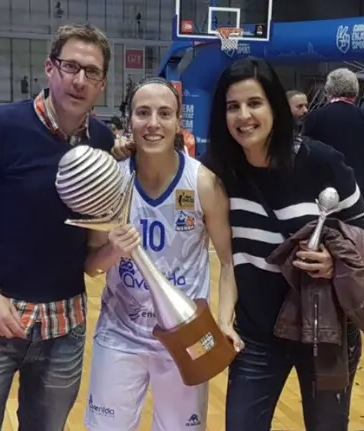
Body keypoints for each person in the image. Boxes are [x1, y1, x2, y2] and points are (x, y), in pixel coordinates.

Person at [0, 24, 114, 431]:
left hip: (64, 327)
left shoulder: (100, 142)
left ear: (102, 84)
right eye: (70, 66)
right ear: (50, 69)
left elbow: (89, 238)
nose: (79, 80)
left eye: (92, 72)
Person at [201, 57, 364, 431]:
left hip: (323, 333)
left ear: (275, 107)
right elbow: (230, 259)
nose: (244, 116)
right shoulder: (220, 171)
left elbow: (363, 229)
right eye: (233, 106)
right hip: (256, 335)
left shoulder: (321, 162)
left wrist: (334, 260)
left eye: (254, 103)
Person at [83, 77, 237, 431]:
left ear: (178, 122)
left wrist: (225, 321)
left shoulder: (203, 183)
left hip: (187, 336)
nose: (153, 123)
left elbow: (228, 261)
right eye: (143, 112)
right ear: (128, 121)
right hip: (120, 335)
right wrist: (113, 252)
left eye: (164, 113)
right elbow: (91, 266)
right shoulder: (108, 182)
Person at [302, 68, 364, 205]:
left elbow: (305, 156)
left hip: (322, 191)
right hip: (356, 191)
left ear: (329, 89)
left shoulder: (316, 116)